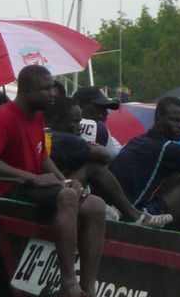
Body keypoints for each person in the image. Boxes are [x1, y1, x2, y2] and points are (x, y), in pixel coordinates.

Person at [0, 65, 118, 297]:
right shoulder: (2, 118)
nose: (52, 93)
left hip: (30, 187)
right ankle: (68, 287)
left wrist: (65, 180)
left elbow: (42, 156)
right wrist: (33, 178)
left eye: (51, 87)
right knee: (68, 198)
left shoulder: (37, 117)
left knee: (95, 205)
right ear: (25, 91)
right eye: (45, 88)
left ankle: (87, 290)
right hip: (1, 191)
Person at [108, 96, 180, 239]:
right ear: (158, 119)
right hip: (138, 216)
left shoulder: (136, 141)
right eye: (175, 120)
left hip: (120, 213)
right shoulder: (166, 148)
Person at [46, 96, 171, 228]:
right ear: (56, 121)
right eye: (75, 122)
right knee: (94, 166)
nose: (79, 128)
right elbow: (105, 155)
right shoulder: (67, 139)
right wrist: (87, 145)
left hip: (53, 185)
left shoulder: (44, 134)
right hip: (58, 191)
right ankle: (134, 215)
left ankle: (121, 210)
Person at [73, 85, 122, 155]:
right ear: (80, 107)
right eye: (99, 108)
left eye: (105, 108)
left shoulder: (111, 139)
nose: (106, 113)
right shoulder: (100, 130)